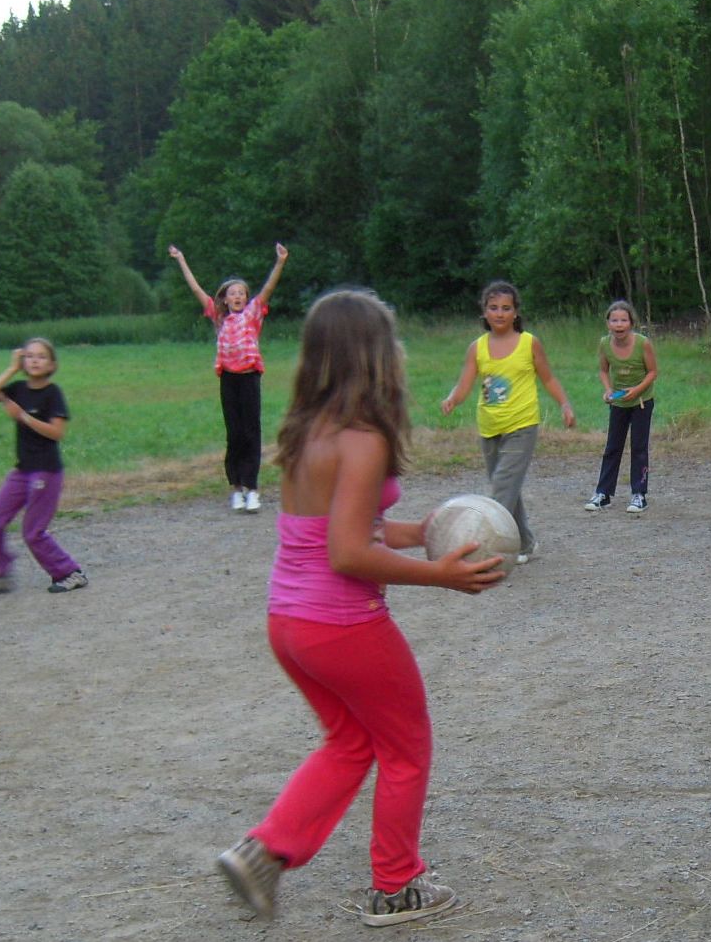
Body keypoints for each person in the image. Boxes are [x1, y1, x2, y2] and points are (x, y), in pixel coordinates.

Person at [215, 288, 503, 927]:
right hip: (342, 624)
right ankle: (396, 886)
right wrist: (440, 576)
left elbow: (342, 527)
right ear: (375, 355)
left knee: (351, 740)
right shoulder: (364, 439)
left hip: (289, 622)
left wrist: (419, 531)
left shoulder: (306, 432)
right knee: (406, 746)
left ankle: (262, 852)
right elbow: (347, 553)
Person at [440, 281, 575, 562]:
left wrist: (564, 404)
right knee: (507, 486)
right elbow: (464, 383)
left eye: (506, 308)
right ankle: (525, 543)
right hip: (489, 426)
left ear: (515, 312)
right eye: (493, 308)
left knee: (502, 486)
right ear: (484, 311)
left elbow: (548, 378)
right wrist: (453, 399)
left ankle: (487, 550)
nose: (499, 313)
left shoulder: (529, 343)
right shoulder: (477, 348)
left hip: (522, 425)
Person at [167, 242, 289, 514]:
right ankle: (236, 488)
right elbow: (196, 289)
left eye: (241, 293)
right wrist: (181, 259)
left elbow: (268, 289)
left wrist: (280, 262)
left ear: (246, 298)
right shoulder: (219, 317)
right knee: (234, 434)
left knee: (251, 433)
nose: (237, 296)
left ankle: (252, 489)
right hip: (229, 381)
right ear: (224, 299)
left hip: (250, 378)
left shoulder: (253, 314)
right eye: (233, 293)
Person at [0, 339, 88, 596]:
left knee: (32, 532)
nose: (34, 360)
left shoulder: (52, 393)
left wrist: (23, 416)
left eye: (41, 356)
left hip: (46, 470)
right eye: (29, 355)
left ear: (52, 364)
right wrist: (11, 369)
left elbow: (57, 433)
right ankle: (0, 574)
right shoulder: (17, 389)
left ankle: (70, 573)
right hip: (22, 471)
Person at [584, 300, 658, 514]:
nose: (619, 325)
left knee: (639, 447)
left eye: (623, 320)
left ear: (631, 323)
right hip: (618, 402)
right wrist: (608, 390)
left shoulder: (643, 343)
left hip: (641, 401)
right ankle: (603, 494)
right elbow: (603, 370)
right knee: (612, 447)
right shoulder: (604, 344)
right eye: (614, 320)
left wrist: (637, 390)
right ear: (608, 323)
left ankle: (639, 494)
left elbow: (653, 372)